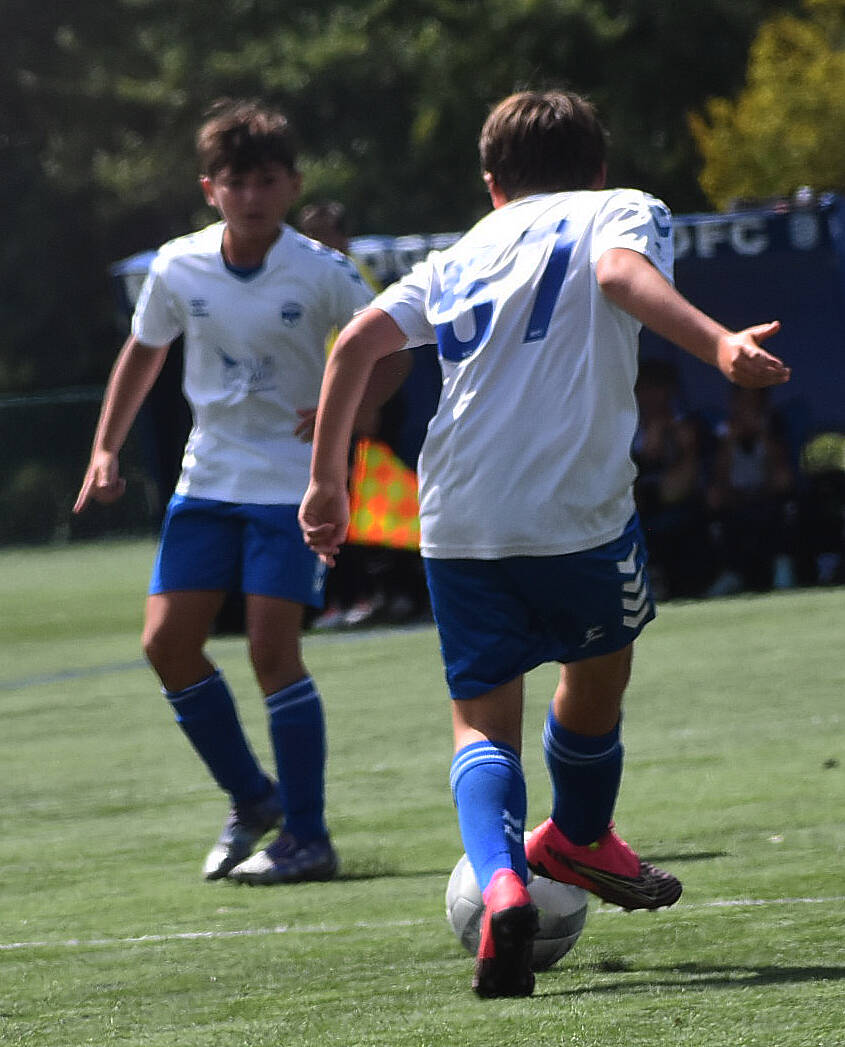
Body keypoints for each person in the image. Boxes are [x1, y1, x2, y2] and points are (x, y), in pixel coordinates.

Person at [298, 89, 790, 997]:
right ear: (597, 169)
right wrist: (718, 345)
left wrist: (328, 481)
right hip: (574, 512)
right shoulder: (621, 208)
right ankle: (577, 835)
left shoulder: (458, 252)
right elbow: (618, 276)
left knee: (482, 721)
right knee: (597, 673)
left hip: (457, 516)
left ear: (491, 184)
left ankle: (500, 884)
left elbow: (355, 345)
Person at [73, 99, 376, 886]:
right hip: (206, 479)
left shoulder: (323, 270)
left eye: (267, 180)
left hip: (291, 486)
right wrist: (105, 447)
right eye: (236, 182)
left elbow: (393, 352)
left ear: (292, 185)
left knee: (273, 652)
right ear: (210, 189)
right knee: (166, 645)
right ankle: (251, 797)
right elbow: (143, 352)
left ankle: (308, 837)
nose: (251, 196)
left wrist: (345, 416)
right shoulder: (178, 266)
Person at [632, 358, 713, 599]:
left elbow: (677, 488)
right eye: (644, 388)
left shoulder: (690, 427)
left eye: (657, 388)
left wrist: (685, 448)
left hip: (683, 505)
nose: (651, 397)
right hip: (637, 508)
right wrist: (646, 454)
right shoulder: (624, 429)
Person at [706, 386, 797, 595]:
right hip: (735, 497)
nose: (748, 407)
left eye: (753, 401)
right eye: (743, 401)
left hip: (766, 494)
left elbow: (781, 472)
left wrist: (763, 434)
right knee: (713, 498)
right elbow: (719, 477)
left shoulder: (774, 428)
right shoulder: (722, 431)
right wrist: (730, 441)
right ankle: (730, 572)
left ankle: (782, 565)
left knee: (783, 487)